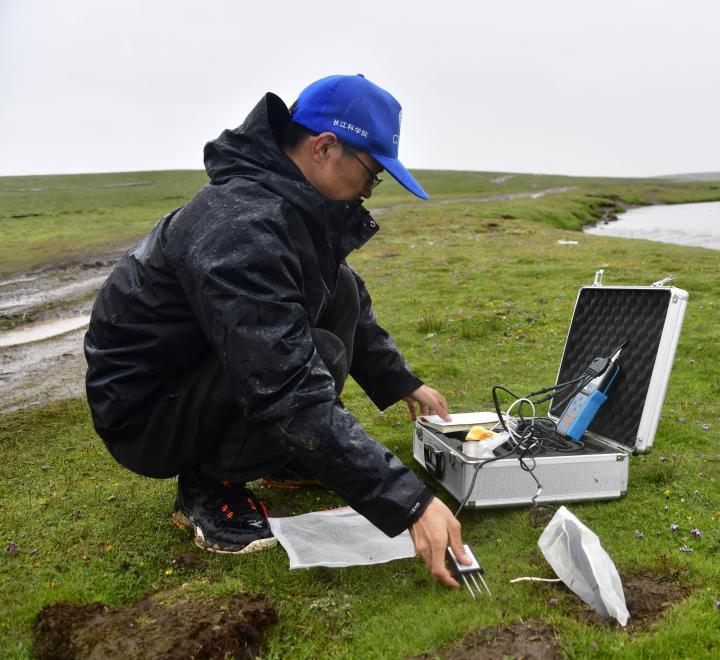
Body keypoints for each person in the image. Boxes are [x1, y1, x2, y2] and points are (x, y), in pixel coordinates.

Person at [84, 74, 469, 587]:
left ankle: (280, 455)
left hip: (195, 372)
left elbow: (342, 297)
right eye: (371, 175)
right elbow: (285, 383)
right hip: (147, 411)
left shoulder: (288, 207)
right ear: (324, 147)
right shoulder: (242, 227)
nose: (367, 192)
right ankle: (209, 487)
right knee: (317, 354)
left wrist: (401, 381)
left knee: (341, 291)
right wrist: (410, 503)